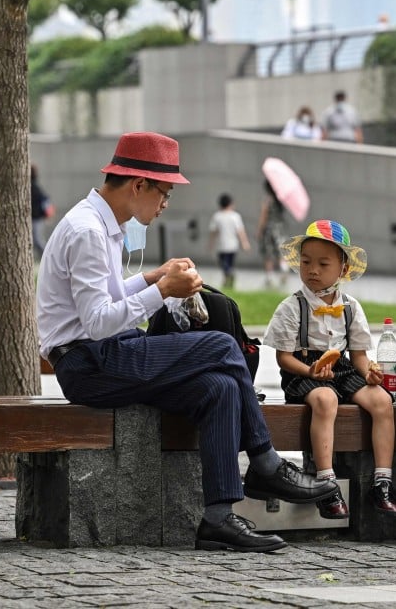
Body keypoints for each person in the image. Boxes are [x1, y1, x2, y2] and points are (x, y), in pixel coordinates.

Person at [36, 131, 339, 553]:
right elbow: (98, 321)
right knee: (220, 345)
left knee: (219, 388)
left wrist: (153, 277)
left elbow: (102, 298)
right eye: (164, 193)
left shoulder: (99, 224)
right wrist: (164, 292)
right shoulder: (88, 230)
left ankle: (217, 518)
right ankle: (265, 462)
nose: (165, 204)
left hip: (99, 356)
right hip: (90, 362)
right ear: (138, 184)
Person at [263, 220, 396, 520]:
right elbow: (283, 358)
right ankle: (326, 484)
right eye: (306, 262)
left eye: (323, 263)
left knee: (382, 400)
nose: (312, 270)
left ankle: (383, 482)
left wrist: (370, 375)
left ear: (342, 269)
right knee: (326, 399)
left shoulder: (351, 307)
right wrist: (310, 371)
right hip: (303, 371)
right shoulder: (292, 307)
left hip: (342, 368)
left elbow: (359, 357)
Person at [208, 193, 251, 289]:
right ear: (230, 204)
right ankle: (228, 277)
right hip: (232, 246)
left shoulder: (217, 216)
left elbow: (213, 232)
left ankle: (227, 277)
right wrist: (245, 243)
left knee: (223, 264)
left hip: (221, 246)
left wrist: (211, 244)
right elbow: (240, 231)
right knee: (229, 263)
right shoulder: (235, 216)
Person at [256, 180, 288, 288]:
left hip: (269, 230)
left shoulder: (268, 200)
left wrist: (259, 231)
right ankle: (284, 269)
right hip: (279, 229)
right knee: (280, 253)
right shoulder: (280, 201)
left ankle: (269, 277)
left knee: (268, 254)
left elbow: (264, 216)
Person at [31, 164, 53, 259]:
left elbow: (45, 201)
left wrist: (47, 214)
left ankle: (46, 257)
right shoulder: (34, 186)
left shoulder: (34, 187)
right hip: (35, 218)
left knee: (37, 240)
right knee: (35, 240)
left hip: (36, 218)